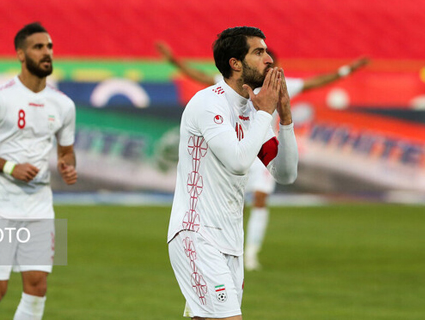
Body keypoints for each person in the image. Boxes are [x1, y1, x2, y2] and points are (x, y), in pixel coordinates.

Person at [157, 41, 369, 271]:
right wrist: (173, 61)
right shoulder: (225, 90)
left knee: (260, 200)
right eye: (261, 57)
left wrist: (348, 70)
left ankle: (251, 253)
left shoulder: (281, 85)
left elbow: (314, 82)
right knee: (231, 203)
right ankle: (217, 251)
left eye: (269, 60)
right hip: (233, 150)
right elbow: (199, 75)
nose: (268, 65)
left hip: (263, 151)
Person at [167, 26, 298, 320]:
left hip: (230, 241)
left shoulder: (252, 111)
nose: (269, 60)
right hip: (197, 233)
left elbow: (286, 173)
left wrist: (285, 118)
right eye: (259, 52)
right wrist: (265, 113)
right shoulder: (208, 102)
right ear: (235, 63)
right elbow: (238, 162)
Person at [0, 22, 77, 320]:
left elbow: (66, 151)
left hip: (38, 207)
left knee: (37, 288)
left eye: (49, 47)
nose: (47, 53)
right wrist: (11, 167)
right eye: (38, 47)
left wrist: (67, 166)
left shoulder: (63, 104)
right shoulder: (1, 97)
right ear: (21, 55)